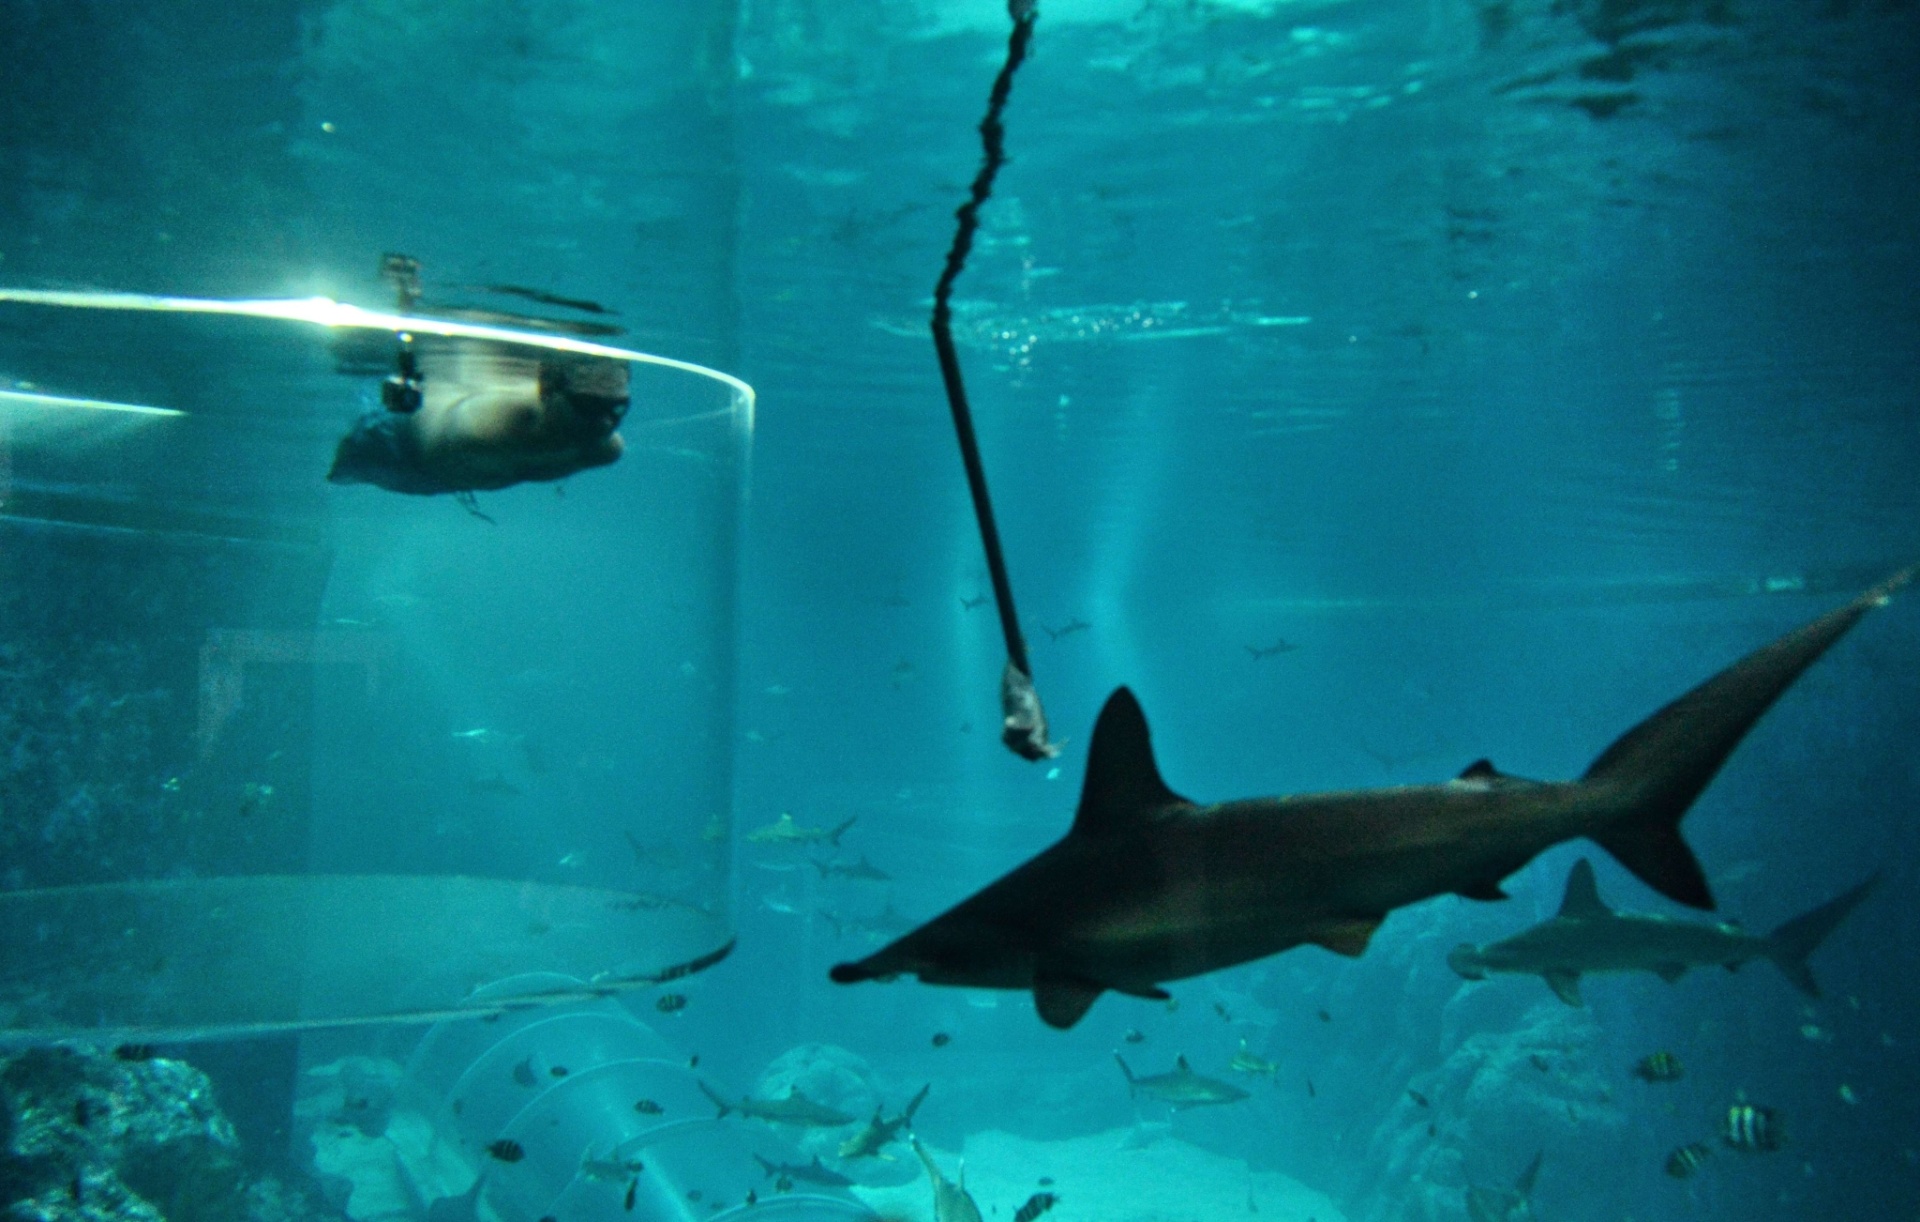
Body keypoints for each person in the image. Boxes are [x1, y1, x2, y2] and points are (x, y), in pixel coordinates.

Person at [327, 338, 628, 497]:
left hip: (435, 472)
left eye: (616, 409)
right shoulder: (492, 431)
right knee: (332, 473)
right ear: (547, 390)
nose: (604, 423)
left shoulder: (604, 448)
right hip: (398, 448)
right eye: (588, 406)